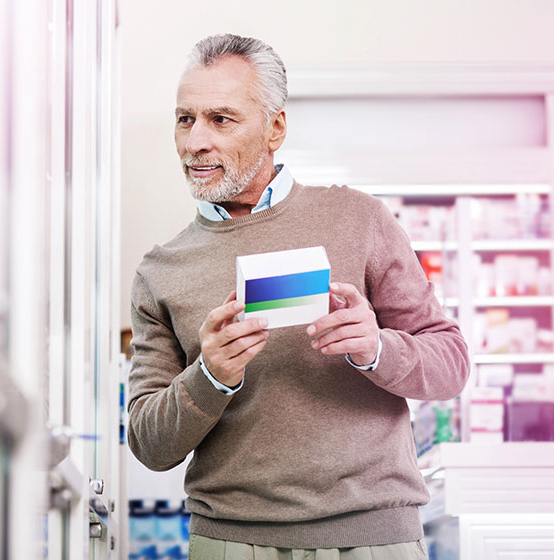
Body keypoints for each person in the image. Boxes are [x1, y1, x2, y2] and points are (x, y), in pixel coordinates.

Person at [127, 33, 469, 560]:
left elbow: (451, 364)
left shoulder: (361, 220)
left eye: (221, 119)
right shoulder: (161, 270)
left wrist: (376, 348)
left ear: (275, 128)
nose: (196, 141)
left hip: (374, 537)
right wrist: (210, 376)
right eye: (184, 118)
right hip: (230, 541)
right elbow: (149, 443)